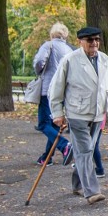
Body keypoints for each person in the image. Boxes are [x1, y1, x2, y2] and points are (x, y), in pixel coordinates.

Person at [48, 26, 108, 205]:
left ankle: (77, 184)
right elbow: (55, 88)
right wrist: (57, 113)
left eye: (97, 39)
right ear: (80, 41)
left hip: (98, 113)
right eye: (90, 40)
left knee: (84, 151)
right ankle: (92, 191)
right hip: (76, 113)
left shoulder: (105, 60)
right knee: (86, 150)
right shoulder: (70, 60)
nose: (94, 43)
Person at [33, 22, 74, 166]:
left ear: (52, 33)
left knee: (43, 124)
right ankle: (46, 157)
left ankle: (65, 146)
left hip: (47, 90)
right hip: (62, 91)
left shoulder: (48, 45)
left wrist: (39, 71)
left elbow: (39, 62)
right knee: (55, 125)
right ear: (65, 34)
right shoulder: (69, 50)